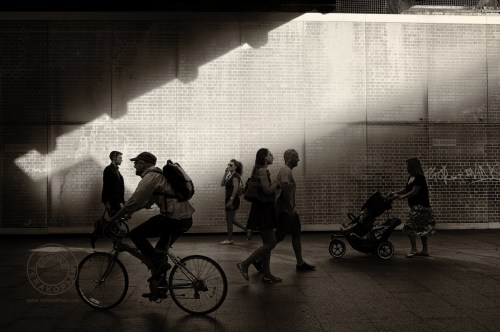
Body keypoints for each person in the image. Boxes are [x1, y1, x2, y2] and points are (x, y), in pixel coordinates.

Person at [108, 152, 195, 273]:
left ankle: (157, 262)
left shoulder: (151, 177)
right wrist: (128, 214)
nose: (134, 166)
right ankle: (159, 287)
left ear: (143, 163)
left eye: (136, 163)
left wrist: (112, 219)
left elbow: (133, 202)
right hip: (184, 219)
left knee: (135, 234)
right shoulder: (158, 176)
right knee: (159, 251)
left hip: (174, 219)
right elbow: (146, 203)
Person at [237, 148, 281, 283]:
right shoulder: (262, 170)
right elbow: (267, 191)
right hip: (264, 211)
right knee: (271, 243)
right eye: (270, 154)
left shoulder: (259, 169)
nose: (273, 156)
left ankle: (267, 274)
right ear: (264, 157)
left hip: (262, 209)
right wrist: (277, 183)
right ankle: (245, 264)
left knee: (267, 243)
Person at [274, 149, 315, 271]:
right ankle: (258, 259)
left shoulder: (287, 171)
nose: (298, 159)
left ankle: (300, 263)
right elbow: (285, 191)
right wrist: (290, 208)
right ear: (289, 158)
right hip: (286, 211)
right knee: (277, 237)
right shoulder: (286, 171)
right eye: (296, 157)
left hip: (290, 210)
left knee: (296, 234)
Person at [390, 157, 436, 257]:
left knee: (409, 227)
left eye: (408, 165)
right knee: (422, 228)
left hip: (421, 207)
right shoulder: (411, 177)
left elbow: (414, 192)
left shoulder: (419, 177)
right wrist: (395, 193)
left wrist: (401, 197)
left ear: (412, 166)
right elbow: (407, 189)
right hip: (416, 207)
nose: (406, 167)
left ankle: (414, 250)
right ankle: (425, 250)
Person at [220, 159, 251, 245]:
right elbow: (222, 184)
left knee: (229, 220)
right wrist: (225, 173)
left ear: (235, 167)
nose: (229, 166)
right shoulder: (230, 175)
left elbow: (236, 188)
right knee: (231, 220)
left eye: (231, 165)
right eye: (228, 164)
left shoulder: (235, 176)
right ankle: (247, 230)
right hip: (229, 199)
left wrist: (231, 200)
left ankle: (230, 239)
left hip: (232, 200)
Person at [101, 151, 125, 217]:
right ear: (114, 158)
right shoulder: (108, 169)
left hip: (116, 201)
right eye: (120, 158)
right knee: (116, 220)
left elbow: (119, 186)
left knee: (117, 220)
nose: (121, 160)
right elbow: (106, 187)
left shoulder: (116, 170)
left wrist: (122, 200)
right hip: (112, 201)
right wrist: (107, 203)